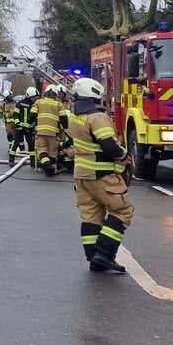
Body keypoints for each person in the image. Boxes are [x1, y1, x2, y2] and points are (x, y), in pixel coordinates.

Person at [67, 77, 134, 273]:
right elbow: (109, 146)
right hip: (101, 173)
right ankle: (104, 255)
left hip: (82, 175)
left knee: (91, 215)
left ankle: (93, 258)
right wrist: (124, 154)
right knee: (122, 211)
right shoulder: (97, 118)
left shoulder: (75, 117)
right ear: (94, 94)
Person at [31, 84, 63, 176]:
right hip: (53, 133)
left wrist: (31, 126)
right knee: (53, 151)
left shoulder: (38, 102)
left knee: (41, 150)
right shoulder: (59, 104)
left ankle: (46, 165)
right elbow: (64, 118)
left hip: (40, 132)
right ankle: (51, 169)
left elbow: (31, 117)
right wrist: (65, 128)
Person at [13, 86, 39, 169]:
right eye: (34, 97)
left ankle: (33, 162)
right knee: (15, 144)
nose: (35, 99)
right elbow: (15, 114)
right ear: (29, 96)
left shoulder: (35, 105)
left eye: (36, 97)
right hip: (20, 128)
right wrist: (17, 123)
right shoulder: (20, 103)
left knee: (31, 145)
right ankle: (11, 160)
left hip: (29, 129)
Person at [0, 90, 18, 165]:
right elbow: (0, 113)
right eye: (10, 96)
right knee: (10, 136)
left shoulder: (16, 103)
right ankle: (11, 149)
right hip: (9, 124)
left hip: (16, 123)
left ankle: (21, 150)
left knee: (18, 137)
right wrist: (4, 120)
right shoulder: (3, 105)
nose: (12, 97)